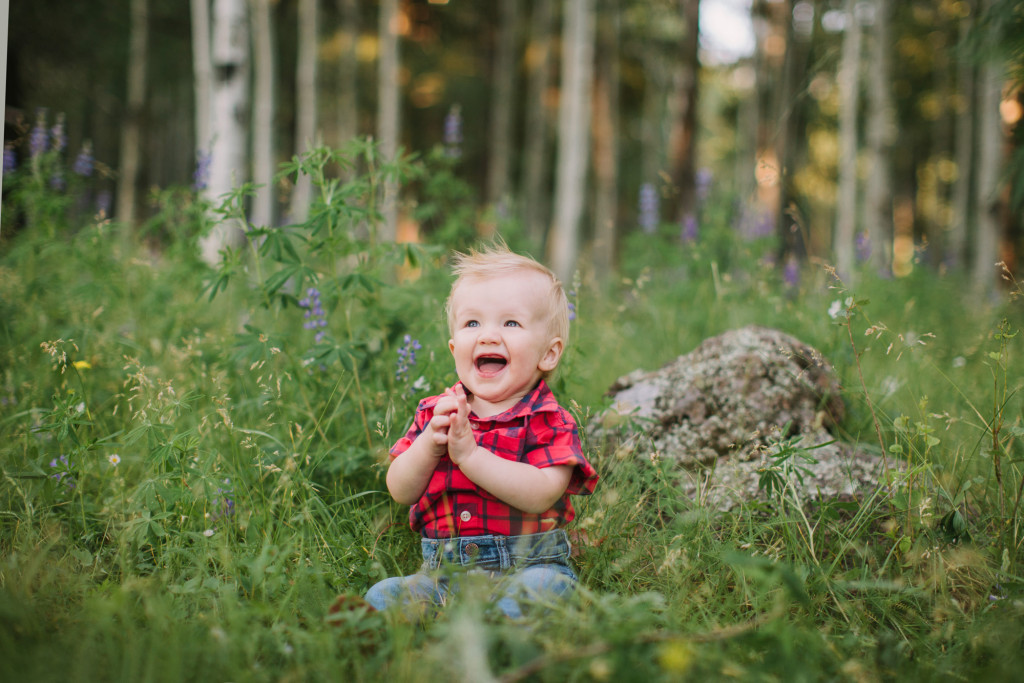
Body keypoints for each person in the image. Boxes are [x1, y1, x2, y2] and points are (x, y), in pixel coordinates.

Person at [364, 244, 599, 619]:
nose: (488, 336)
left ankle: (500, 640)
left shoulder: (549, 419)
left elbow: (541, 493)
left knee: (541, 591)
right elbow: (400, 490)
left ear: (548, 354)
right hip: (442, 576)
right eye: (473, 323)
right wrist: (429, 446)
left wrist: (471, 457)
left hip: (528, 567)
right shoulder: (436, 413)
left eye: (511, 323)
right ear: (455, 347)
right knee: (382, 596)